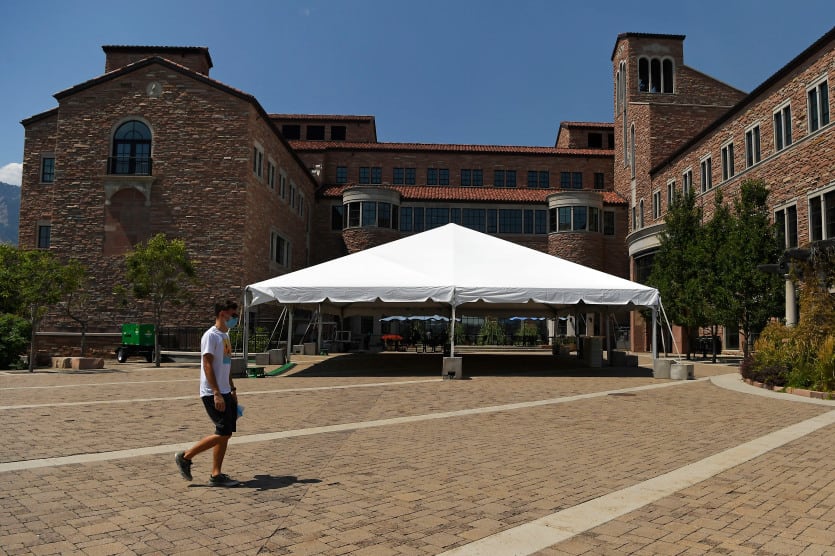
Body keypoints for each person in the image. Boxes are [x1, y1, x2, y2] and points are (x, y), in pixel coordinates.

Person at [175, 300, 240, 487]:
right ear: (222, 314)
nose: (235, 319)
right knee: (223, 431)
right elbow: (207, 364)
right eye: (233, 315)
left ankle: (216, 473)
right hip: (212, 392)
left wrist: (232, 389)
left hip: (225, 391)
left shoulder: (225, 336)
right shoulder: (210, 336)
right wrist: (216, 393)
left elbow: (226, 366)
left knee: (225, 433)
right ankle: (186, 457)